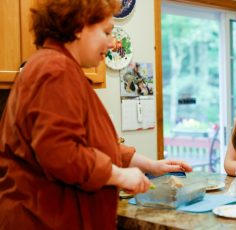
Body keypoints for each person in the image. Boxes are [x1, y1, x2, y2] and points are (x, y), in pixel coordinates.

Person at [0, 0, 192, 229]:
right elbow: (61, 152)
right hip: (45, 219)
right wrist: (120, 176)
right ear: (79, 26)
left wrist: (151, 165)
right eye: (107, 32)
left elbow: (92, 144)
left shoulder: (57, 66)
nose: (112, 43)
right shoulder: (55, 70)